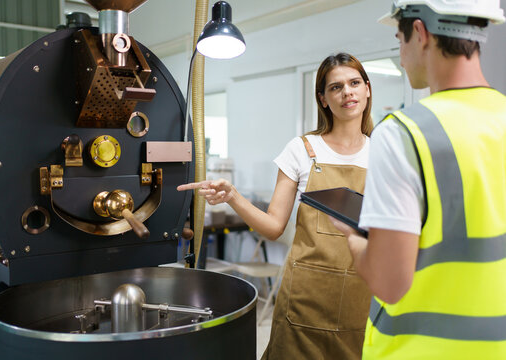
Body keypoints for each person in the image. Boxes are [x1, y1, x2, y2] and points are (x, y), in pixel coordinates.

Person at [331, 1, 506, 359]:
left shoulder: (403, 133)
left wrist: (354, 237)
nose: (401, 56)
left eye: (399, 40)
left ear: (420, 34)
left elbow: (389, 283)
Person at [178, 53, 373, 359]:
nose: (347, 92)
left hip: (362, 294)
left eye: (354, 83)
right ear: (323, 99)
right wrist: (233, 196)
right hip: (306, 296)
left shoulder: (384, 153)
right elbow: (273, 226)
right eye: (336, 87)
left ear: (367, 89)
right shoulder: (303, 149)